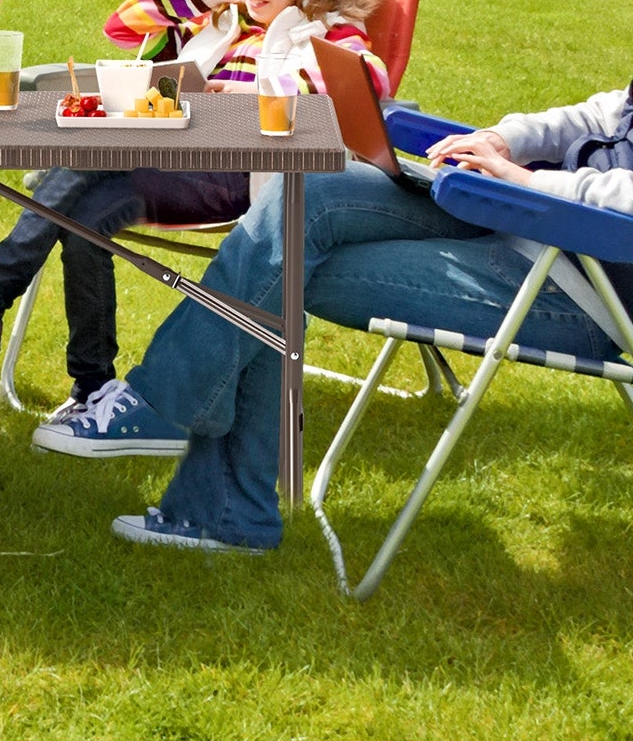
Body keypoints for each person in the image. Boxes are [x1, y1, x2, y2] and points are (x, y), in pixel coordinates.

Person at [0, 0, 390, 458]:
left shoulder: (326, 31)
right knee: (83, 215)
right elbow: (122, 27)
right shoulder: (221, 22)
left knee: (83, 156)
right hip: (165, 160)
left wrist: (253, 97)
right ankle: (92, 387)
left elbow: (368, 85)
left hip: (235, 177)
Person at [105, 89, 633, 552]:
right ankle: (195, 459)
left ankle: (199, 470)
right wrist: (501, 140)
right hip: (511, 212)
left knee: (281, 264)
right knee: (302, 191)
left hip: (575, 285)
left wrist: (527, 181)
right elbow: (600, 115)